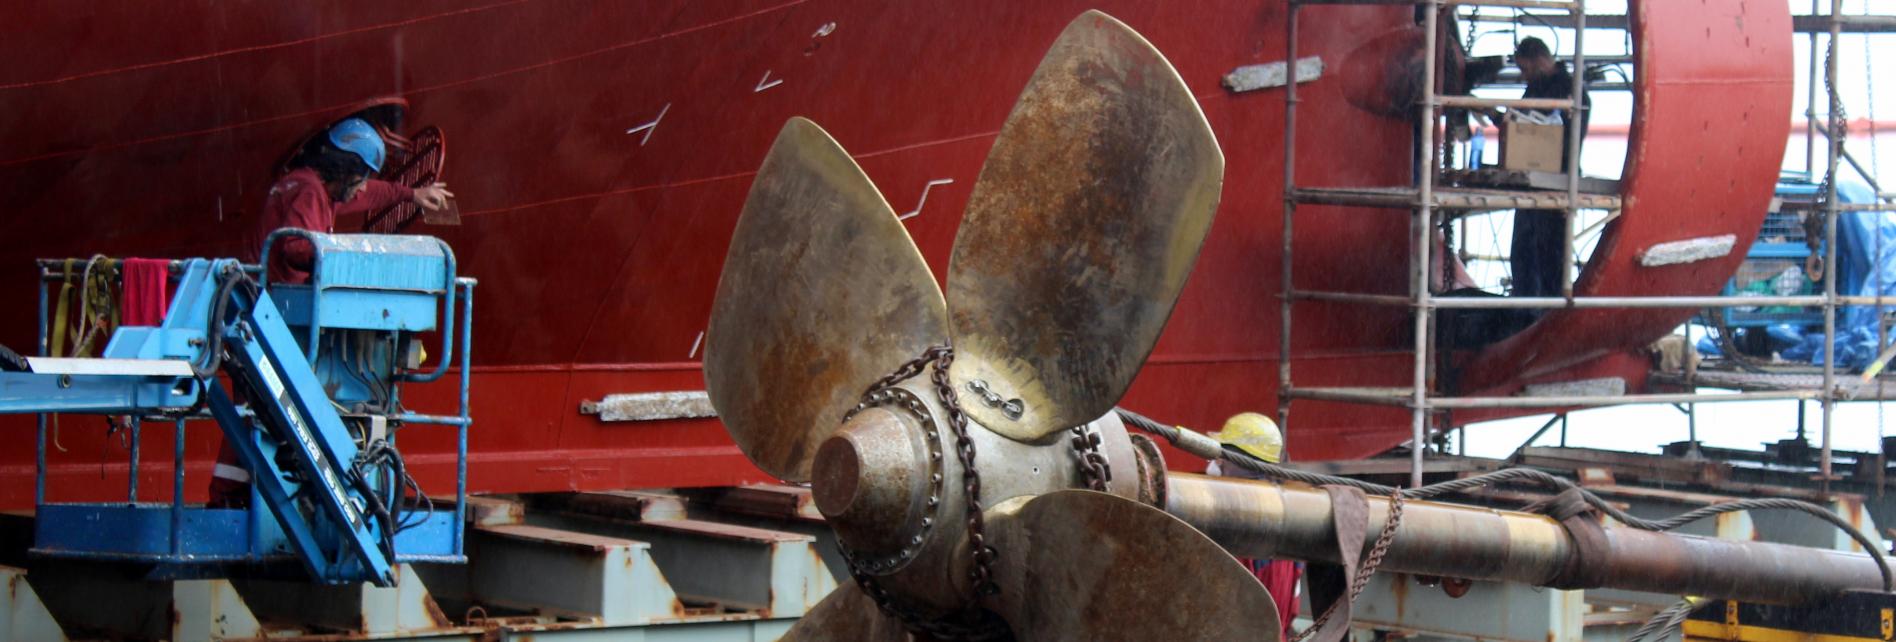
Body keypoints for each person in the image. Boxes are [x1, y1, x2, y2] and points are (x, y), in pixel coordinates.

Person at [210, 117, 452, 506]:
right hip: (278, 315)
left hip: (263, 311)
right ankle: (249, 497)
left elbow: (365, 194)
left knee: (253, 408)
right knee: (273, 408)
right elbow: (295, 248)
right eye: (358, 177)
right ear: (345, 170)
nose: (358, 188)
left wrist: (411, 195)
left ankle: (234, 496)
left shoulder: (308, 183)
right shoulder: (308, 192)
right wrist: (342, 259)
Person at [1203, 412, 1302, 638]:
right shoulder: (1293, 519)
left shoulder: (1231, 521)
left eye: (1219, 456)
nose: (1213, 462)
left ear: (1225, 458)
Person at [1509, 36, 1590, 299]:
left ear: (1541, 61)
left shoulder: (1569, 91)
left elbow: (1563, 139)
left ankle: (1544, 308)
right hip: (1534, 180)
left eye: (1526, 69)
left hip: (1556, 181)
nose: (1524, 76)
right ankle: (1528, 308)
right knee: (1524, 252)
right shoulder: (1538, 89)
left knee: (1549, 255)